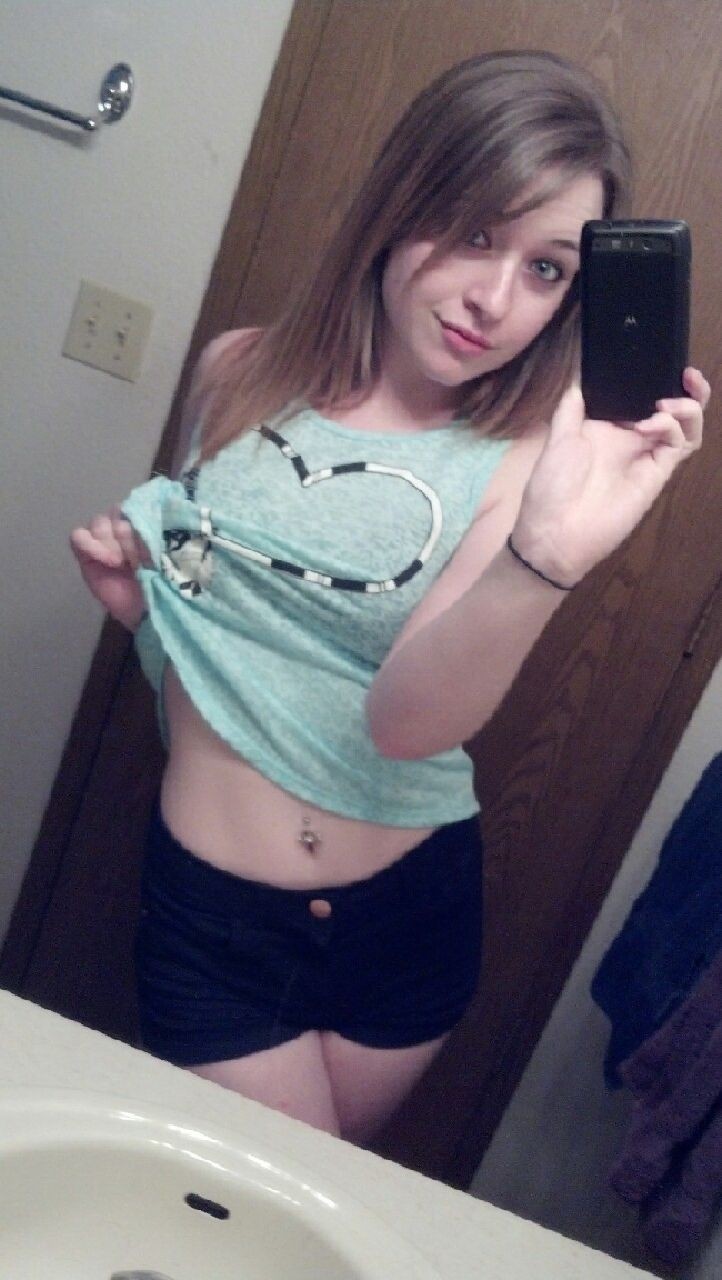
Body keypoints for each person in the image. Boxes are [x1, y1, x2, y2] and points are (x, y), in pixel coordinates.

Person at [70, 50, 709, 1144]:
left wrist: (542, 558)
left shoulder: (522, 465)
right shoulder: (237, 373)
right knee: (260, 1207)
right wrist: (145, 616)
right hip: (216, 918)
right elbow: (216, 632)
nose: (493, 301)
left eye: (546, 269)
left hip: (408, 916)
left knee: (307, 1212)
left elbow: (406, 724)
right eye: (475, 234)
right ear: (403, 199)